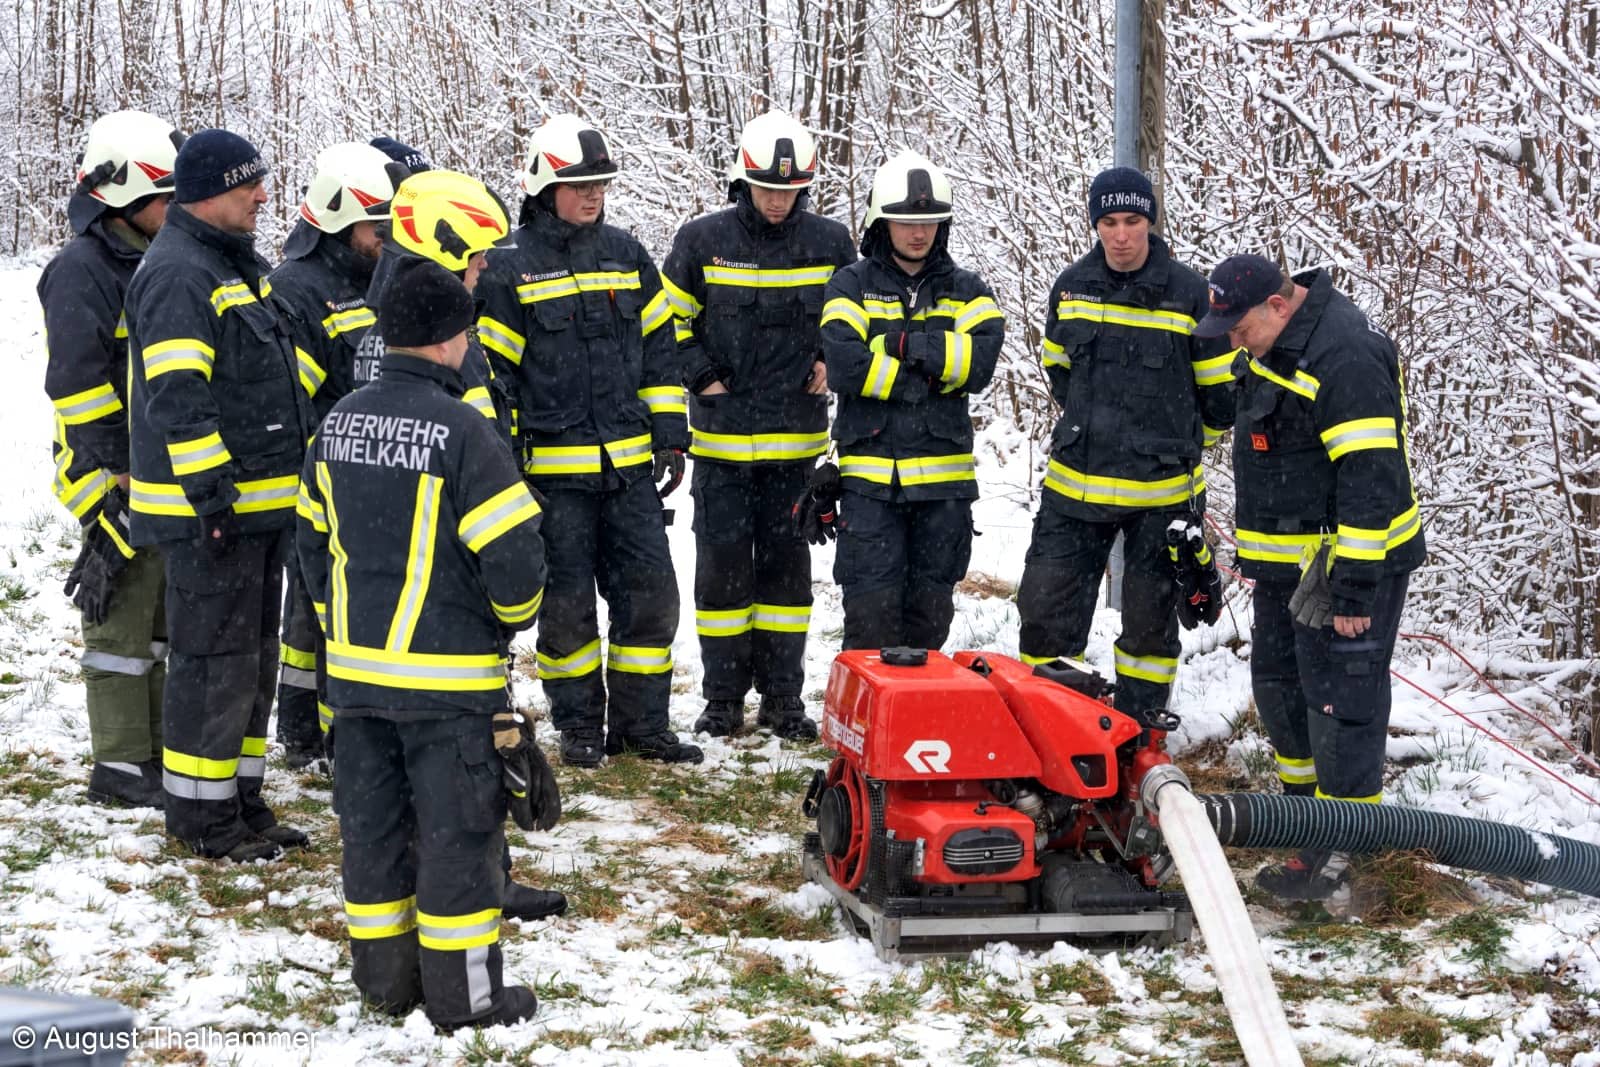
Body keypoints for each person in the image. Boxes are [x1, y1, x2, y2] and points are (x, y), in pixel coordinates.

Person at [296, 257, 551, 1028]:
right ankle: (466, 1000)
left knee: (372, 835)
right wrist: (507, 619)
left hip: (356, 686)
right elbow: (515, 558)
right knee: (457, 841)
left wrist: (344, 627)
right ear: (448, 341)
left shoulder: (337, 424)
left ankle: (384, 983)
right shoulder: (464, 432)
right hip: (448, 689)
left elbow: (312, 545)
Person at [352, 165, 570, 921]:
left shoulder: (390, 317)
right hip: (450, 568)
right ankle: (479, 880)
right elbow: (471, 446)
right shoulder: (443, 338)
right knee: (464, 745)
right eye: (475, 256)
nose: (482, 271)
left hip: (392, 566)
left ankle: (436, 874)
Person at [1195, 253, 1424, 900]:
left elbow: (1369, 479)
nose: (1235, 344)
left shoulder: (1344, 355)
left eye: (1240, 330)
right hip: (1283, 566)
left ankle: (1344, 848)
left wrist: (1352, 589)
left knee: (1341, 705)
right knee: (1281, 689)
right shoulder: (1275, 341)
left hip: (1345, 569)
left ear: (1277, 304)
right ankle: (1304, 825)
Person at [478, 114, 700, 768]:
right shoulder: (507, 268)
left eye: (599, 184)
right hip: (552, 483)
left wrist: (670, 432)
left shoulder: (628, 255)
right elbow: (498, 380)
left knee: (651, 599)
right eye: (579, 185)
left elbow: (660, 349)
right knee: (567, 611)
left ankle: (642, 726)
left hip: (629, 475)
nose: (592, 195)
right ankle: (578, 727)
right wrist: (507, 466)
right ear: (544, 188)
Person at [124, 129, 313, 862]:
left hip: (254, 511)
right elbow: (179, 396)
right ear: (208, 192)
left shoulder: (232, 262)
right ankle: (202, 818)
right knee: (211, 667)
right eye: (248, 185)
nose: (263, 195)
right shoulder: (180, 273)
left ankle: (240, 799)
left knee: (251, 662)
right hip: (211, 516)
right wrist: (211, 499)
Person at [659, 111, 856, 741]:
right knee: (721, 576)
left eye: (790, 190)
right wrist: (700, 375)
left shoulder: (832, 244)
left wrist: (829, 359)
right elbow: (665, 324)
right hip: (721, 445)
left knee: (786, 579)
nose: (778, 201)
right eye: (768, 188)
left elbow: (851, 323)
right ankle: (722, 699)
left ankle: (783, 698)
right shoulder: (701, 240)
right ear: (743, 181)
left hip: (796, 449)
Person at [1014, 167, 1235, 722]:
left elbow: (1220, 400)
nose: (1120, 235)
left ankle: (1140, 736)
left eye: (1132, 221)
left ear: (1150, 222)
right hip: (1074, 490)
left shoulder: (1191, 295)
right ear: (1095, 225)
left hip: (1162, 500)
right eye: (1108, 222)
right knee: (1044, 615)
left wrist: (1176, 446)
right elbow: (1059, 373)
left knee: (1149, 632)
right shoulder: (1070, 287)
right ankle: (1051, 728)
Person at [40, 110, 183, 809]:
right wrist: (124, 470)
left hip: (151, 467)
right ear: (124, 195)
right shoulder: (81, 269)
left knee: (154, 617)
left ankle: (148, 751)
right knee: (120, 619)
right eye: (166, 196)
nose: (176, 208)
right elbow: (77, 384)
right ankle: (121, 764)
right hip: (108, 470)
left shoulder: (147, 258)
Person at [815, 150, 1004, 649]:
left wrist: (901, 346)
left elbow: (980, 363)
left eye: (928, 222)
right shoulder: (849, 285)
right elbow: (844, 366)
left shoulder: (968, 290)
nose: (918, 232)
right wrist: (929, 374)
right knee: (870, 622)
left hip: (943, 496)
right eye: (905, 221)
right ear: (882, 222)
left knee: (928, 626)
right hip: (870, 491)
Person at [267, 141, 404, 767]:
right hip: (321, 478)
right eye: (377, 228)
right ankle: (304, 731)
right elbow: (291, 403)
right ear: (338, 223)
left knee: (349, 610)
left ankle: (341, 731)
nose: (386, 238)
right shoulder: (294, 291)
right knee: (312, 611)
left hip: (377, 476)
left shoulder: (383, 279)